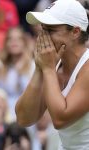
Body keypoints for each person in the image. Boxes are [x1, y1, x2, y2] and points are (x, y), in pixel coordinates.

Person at [15, 0, 89, 149]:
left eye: (51, 30)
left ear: (75, 32)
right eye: (42, 30)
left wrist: (48, 69)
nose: (43, 38)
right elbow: (24, 118)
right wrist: (39, 69)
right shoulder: (51, 64)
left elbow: (60, 119)